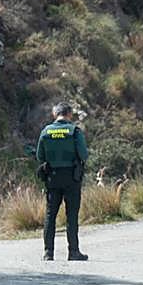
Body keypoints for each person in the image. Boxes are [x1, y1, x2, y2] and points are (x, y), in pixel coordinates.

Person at [36, 102, 89, 262]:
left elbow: (40, 156)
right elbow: (84, 154)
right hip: (72, 177)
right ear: (70, 114)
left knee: (50, 215)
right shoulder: (74, 131)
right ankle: (73, 252)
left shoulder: (46, 132)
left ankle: (48, 253)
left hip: (52, 177)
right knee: (71, 215)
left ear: (55, 114)